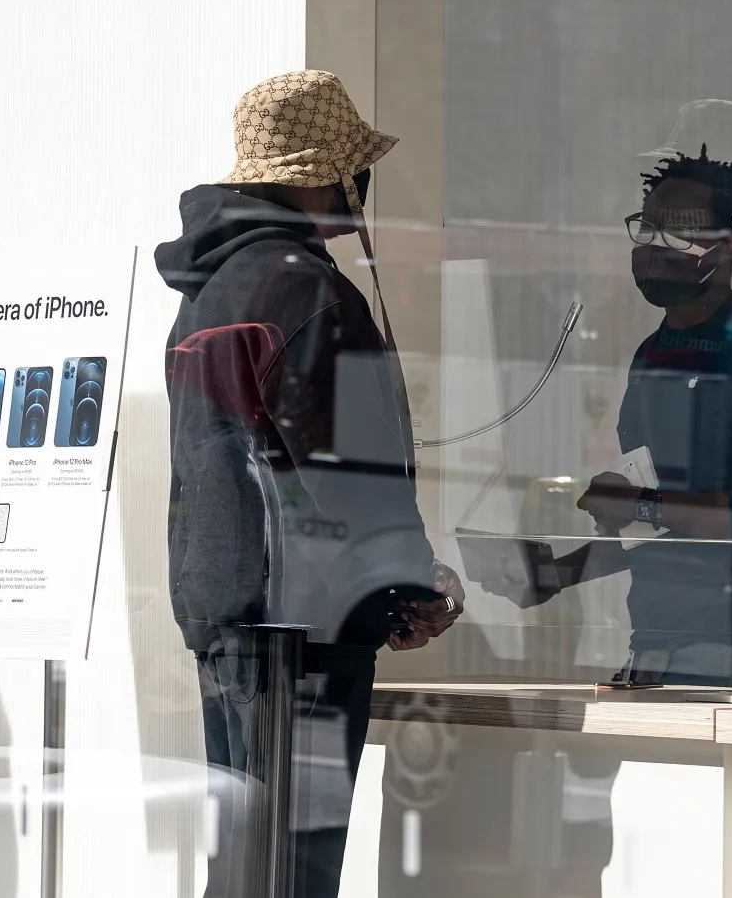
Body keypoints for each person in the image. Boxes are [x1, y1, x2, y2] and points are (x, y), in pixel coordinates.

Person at [156, 69, 465, 898]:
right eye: (355, 169)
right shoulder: (312, 291)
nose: (363, 188)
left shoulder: (205, 296)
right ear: (323, 175)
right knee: (297, 872)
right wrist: (412, 590)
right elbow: (352, 479)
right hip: (308, 640)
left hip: (226, 625)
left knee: (246, 868)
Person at [579, 146, 732, 686]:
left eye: (680, 233)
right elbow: (654, 524)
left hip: (725, 643)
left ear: (728, 248)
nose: (657, 249)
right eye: (649, 228)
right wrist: (555, 573)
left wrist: (638, 502)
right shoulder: (652, 352)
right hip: (654, 640)